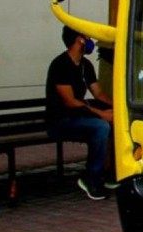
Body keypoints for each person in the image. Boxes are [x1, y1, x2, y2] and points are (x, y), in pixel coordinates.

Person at [46, 26, 113, 200]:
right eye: (87, 37)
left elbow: (98, 93)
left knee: (112, 122)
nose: (90, 41)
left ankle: (108, 171)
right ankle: (91, 178)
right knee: (100, 126)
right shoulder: (60, 65)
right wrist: (101, 114)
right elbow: (70, 101)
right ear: (79, 40)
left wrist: (116, 107)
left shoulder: (85, 65)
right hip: (60, 121)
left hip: (78, 117)